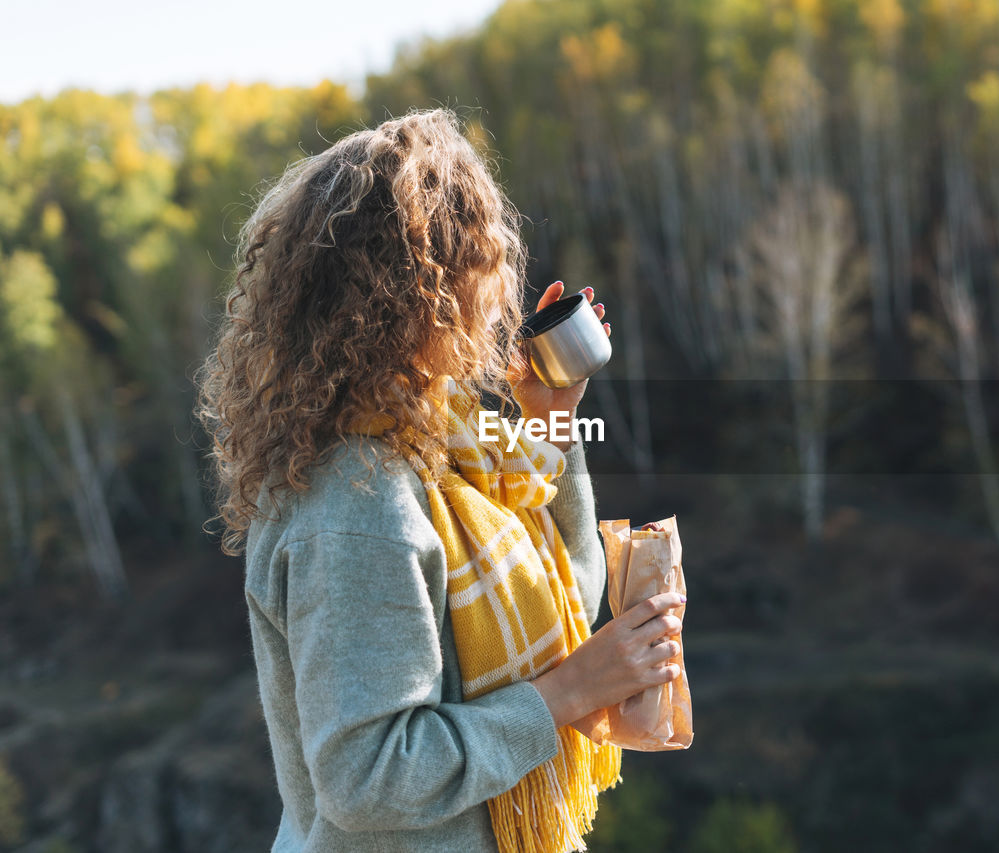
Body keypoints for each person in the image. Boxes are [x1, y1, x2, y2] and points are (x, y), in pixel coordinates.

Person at [195, 109, 685, 853]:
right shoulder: (358, 504)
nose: (494, 308)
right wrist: (569, 695)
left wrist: (552, 417)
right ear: (429, 293)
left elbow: (565, 600)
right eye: (483, 272)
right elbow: (367, 778)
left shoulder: (445, 448)